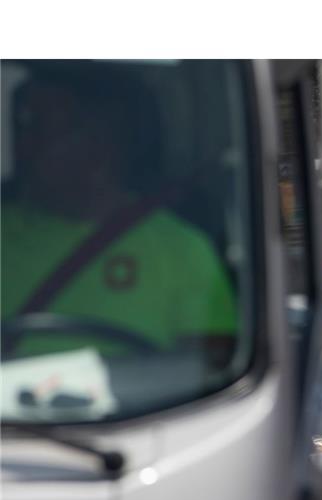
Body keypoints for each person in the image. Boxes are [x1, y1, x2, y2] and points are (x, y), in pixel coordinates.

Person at [1, 64, 238, 367]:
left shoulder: (183, 253)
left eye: (51, 130)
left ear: (102, 143)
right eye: (26, 127)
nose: (28, 146)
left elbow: (212, 375)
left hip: (157, 415)